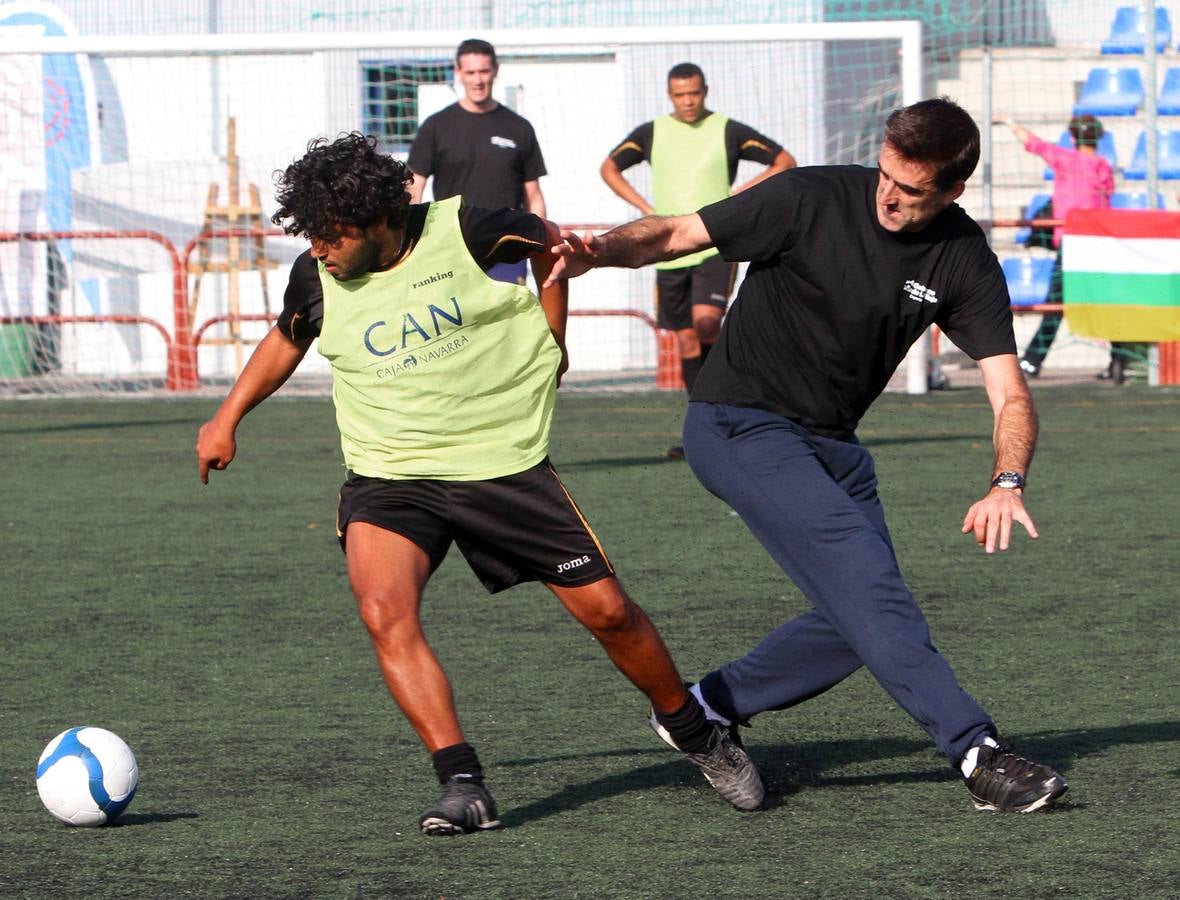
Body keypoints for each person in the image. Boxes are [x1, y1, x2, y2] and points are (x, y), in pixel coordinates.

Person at [195, 133, 763, 836]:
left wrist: (554, 339)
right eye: (310, 234)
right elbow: (288, 335)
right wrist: (226, 417)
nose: (317, 249)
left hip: (500, 462)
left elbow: (554, 252)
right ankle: (462, 783)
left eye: (331, 234)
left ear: (378, 221)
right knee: (383, 611)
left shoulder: (468, 227)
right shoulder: (318, 277)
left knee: (609, 613)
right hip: (391, 472)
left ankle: (695, 731)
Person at [549, 97, 1069, 814]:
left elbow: (1009, 392)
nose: (888, 194)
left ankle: (705, 708)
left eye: (911, 189)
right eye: (886, 173)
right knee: (873, 595)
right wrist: (597, 251)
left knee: (857, 622)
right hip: (738, 423)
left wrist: (1008, 480)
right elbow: (674, 233)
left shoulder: (962, 257)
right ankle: (978, 754)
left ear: (951, 192)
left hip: (834, 448)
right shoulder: (807, 197)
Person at [600, 62, 796, 457]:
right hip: (668, 248)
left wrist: (739, 196)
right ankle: (706, 430)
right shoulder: (652, 133)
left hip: (715, 244)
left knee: (707, 324)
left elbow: (784, 161)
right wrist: (644, 207)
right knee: (686, 342)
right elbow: (609, 168)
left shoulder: (727, 130)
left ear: (705, 90)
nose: (688, 101)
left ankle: (740, 412)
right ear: (670, 95)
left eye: (694, 93)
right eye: (680, 95)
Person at [408, 38, 546, 285]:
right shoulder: (436, 126)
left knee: (504, 323)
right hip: (449, 246)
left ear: (495, 70)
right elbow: (413, 187)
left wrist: (540, 246)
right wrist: (409, 244)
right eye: (470, 72)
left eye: (483, 71)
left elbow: (534, 197)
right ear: (458, 73)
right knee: (456, 323)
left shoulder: (519, 128)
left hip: (507, 247)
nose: (478, 80)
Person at [1003, 115, 1115, 379]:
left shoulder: (1065, 159)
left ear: (1073, 138)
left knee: (1055, 304)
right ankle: (1120, 360)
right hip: (1098, 240)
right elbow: (1107, 199)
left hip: (1073, 242)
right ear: (1098, 139)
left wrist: (1010, 122)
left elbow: (1034, 143)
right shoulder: (1102, 166)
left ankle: (1032, 360)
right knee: (1108, 303)